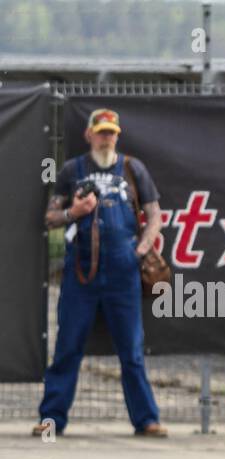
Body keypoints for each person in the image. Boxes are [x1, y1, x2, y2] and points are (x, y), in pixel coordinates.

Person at [34, 107, 167, 438]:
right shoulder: (71, 170)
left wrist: (140, 249)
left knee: (132, 350)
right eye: (101, 131)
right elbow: (50, 218)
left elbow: (154, 215)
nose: (106, 137)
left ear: (117, 136)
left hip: (124, 269)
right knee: (67, 346)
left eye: (112, 132)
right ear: (89, 134)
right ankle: (52, 418)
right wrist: (73, 211)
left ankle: (147, 420)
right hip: (80, 269)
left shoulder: (133, 168)